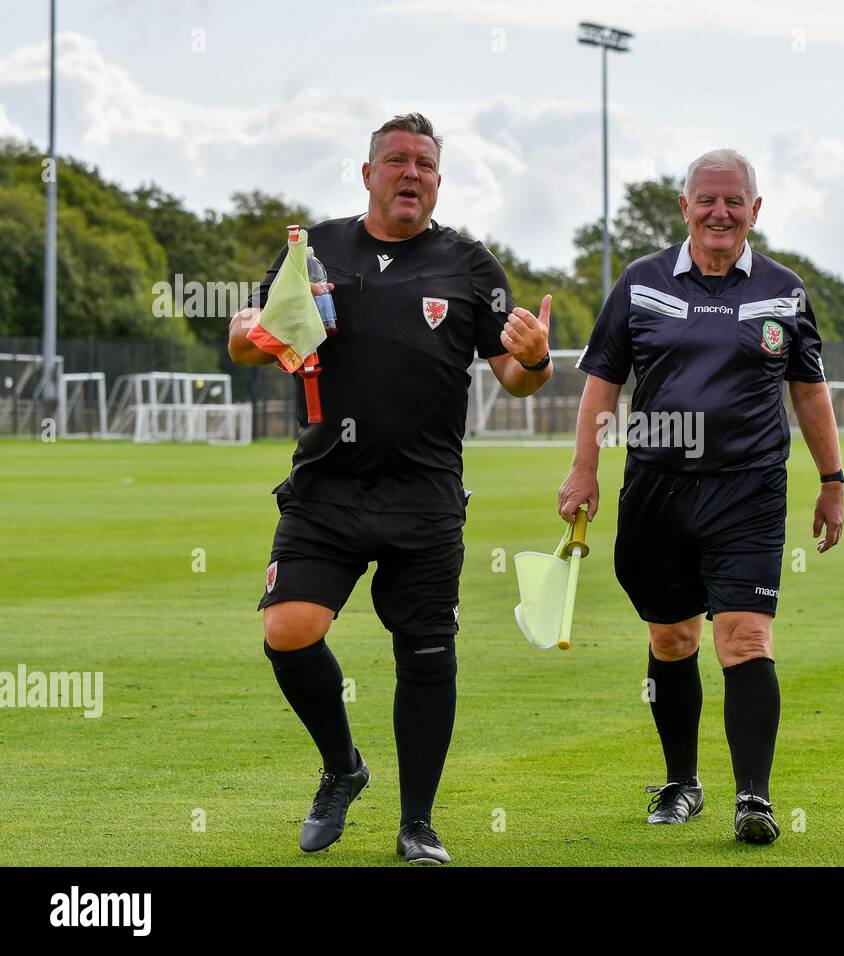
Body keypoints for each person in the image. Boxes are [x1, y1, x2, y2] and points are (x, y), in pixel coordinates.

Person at [228, 112, 553, 864]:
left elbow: (517, 378)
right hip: (325, 489)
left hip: (425, 495)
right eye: (398, 161)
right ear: (367, 173)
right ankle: (343, 768)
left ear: (439, 181)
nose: (412, 174)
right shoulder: (314, 250)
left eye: (426, 165)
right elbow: (251, 341)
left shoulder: (470, 265)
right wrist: (250, 331)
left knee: (427, 653)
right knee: (289, 630)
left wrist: (533, 358)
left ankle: (418, 824)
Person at [557, 149, 844, 845]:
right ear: (684, 208)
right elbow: (603, 378)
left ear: (755, 210)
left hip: (748, 489)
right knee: (672, 636)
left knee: (745, 637)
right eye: (707, 200)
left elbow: (807, 390)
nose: (721, 212)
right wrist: (583, 469)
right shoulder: (641, 282)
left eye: (734, 200)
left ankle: (755, 798)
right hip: (656, 489)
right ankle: (682, 783)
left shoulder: (784, 290)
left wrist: (834, 482)